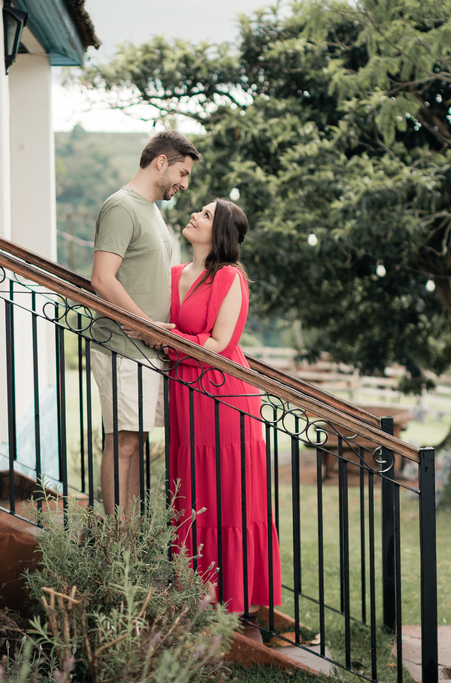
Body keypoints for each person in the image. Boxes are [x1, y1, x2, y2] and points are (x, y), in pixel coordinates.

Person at [167, 198, 281, 615]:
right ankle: (194, 596)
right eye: (198, 209)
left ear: (220, 233)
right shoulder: (174, 274)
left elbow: (218, 343)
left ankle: (236, 602)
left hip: (225, 395)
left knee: (228, 498)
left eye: (206, 214)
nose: (194, 215)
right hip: (186, 394)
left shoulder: (230, 277)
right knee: (193, 494)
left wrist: (165, 338)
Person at [90, 130, 201, 516]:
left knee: (134, 445)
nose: (184, 184)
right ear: (161, 162)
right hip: (123, 346)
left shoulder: (151, 210)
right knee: (122, 443)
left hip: (147, 348)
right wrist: (147, 327)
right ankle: (118, 540)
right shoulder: (121, 207)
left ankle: (132, 537)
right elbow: (102, 278)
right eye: (183, 174)